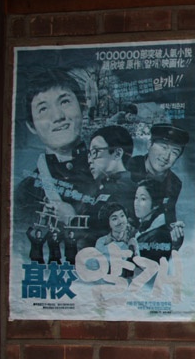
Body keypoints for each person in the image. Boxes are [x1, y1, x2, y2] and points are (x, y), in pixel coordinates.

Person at [15, 68, 95, 230]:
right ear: (31, 126)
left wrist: (73, 220)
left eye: (64, 102)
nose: (58, 117)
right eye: (43, 109)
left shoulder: (113, 172)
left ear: (83, 107)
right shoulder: (25, 194)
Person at [127, 123, 188, 223]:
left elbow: (168, 214)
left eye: (174, 152)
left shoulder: (174, 183)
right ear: (149, 144)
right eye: (163, 147)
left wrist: (173, 228)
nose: (166, 157)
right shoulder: (129, 167)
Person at [88, 124, 137, 239]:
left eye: (95, 152)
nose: (90, 160)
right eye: (89, 154)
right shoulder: (107, 185)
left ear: (117, 154)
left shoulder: (125, 188)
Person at [132, 179, 183, 263]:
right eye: (136, 197)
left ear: (156, 204)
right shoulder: (144, 227)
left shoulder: (159, 235)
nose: (136, 203)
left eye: (143, 199)